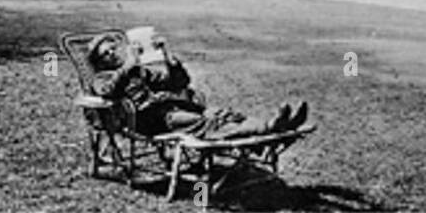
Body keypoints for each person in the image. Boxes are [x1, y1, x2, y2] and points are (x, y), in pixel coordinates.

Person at [86, 32, 309, 138]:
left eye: (114, 48)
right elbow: (108, 92)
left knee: (222, 113)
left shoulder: (138, 69)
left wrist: (168, 57)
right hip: (150, 119)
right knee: (205, 122)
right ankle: (267, 129)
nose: (112, 53)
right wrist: (127, 67)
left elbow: (178, 82)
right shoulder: (102, 77)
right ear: (99, 61)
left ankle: (276, 124)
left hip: (172, 108)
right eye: (106, 53)